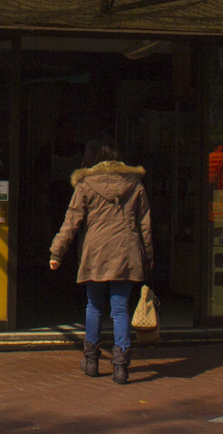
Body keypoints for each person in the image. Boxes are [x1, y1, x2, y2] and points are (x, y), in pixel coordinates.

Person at [49, 140, 154, 385]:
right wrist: (148, 256)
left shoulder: (86, 183)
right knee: (120, 309)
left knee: (94, 306)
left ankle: (92, 360)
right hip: (126, 251)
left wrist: (56, 252)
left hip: (95, 252)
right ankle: (121, 365)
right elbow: (145, 225)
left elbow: (71, 221)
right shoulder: (134, 184)